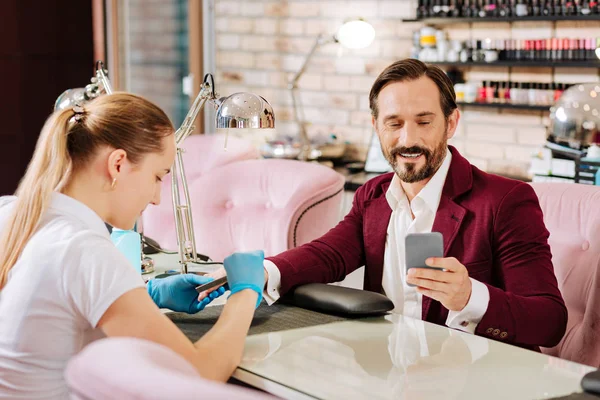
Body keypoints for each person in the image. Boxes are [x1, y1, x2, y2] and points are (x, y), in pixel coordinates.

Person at [205, 59, 567, 351]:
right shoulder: (373, 195)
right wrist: (264, 271)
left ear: (451, 123)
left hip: (478, 379)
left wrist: (471, 297)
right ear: (375, 125)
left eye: (424, 122)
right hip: (387, 371)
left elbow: (549, 322)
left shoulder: (506, 201)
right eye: (394, 123)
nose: (408, 139)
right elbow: (329, 254)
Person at [0, 93, 266, 399]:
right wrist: (245, 294)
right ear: (118, 164)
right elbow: (198, 374)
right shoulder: (83, 249)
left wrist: (149, 295)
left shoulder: (10, 212)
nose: (156, 198)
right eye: (157, 177)